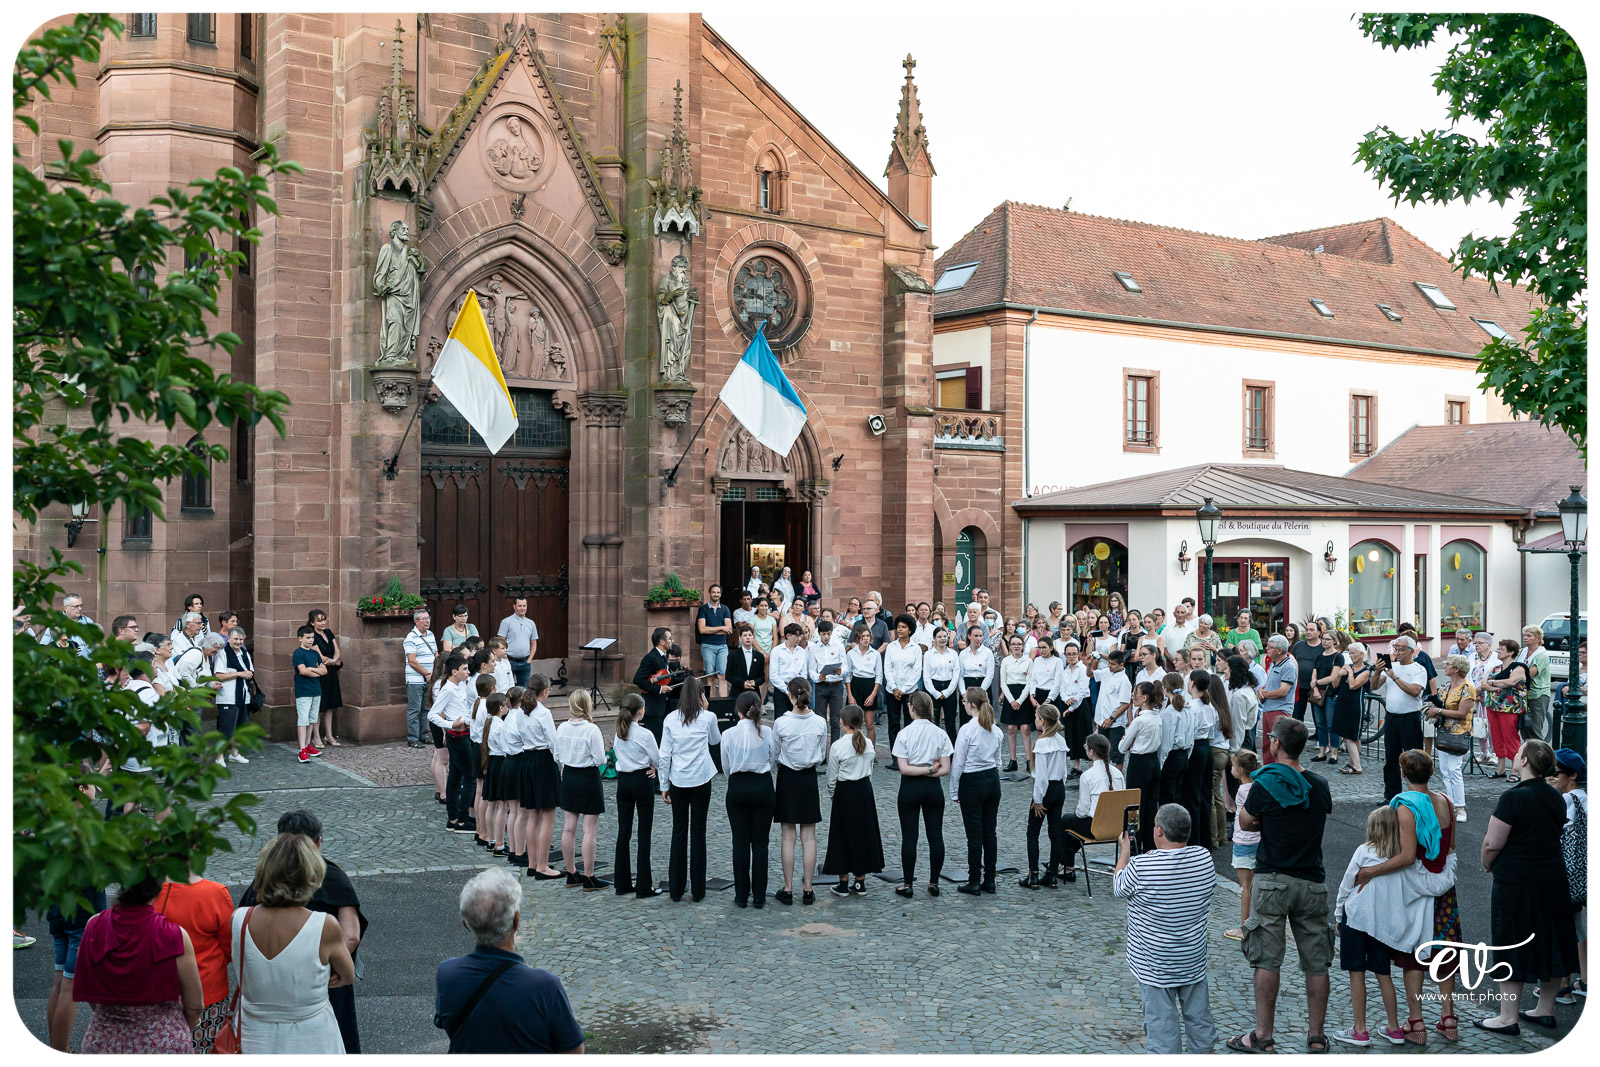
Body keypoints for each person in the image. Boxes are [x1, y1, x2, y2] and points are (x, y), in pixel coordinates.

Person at [1230, 716, 1334, 1054]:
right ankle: (1316, 1036)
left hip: (1272, 878)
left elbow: (1246, 821)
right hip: (1311, 881)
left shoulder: (1267, 784)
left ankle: (1263, 1036)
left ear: (1276, 744)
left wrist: (1259, 815)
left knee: (1267, 960)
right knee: (1317, 963)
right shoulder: (1319, 785)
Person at [1477, 740, 1581, 1035]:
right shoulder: (1556, 796)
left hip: (1517, 881)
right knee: (1551, 940)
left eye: (1519, 752)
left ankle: (1507, 1016)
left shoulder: (1514, 798)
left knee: (1511, 941)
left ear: (1524, 761)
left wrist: (1487, 861)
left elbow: (1492, 842)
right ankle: (1545, 1010)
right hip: (1552, 878)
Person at [434, 868, 584, 1053]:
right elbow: (574, 1052)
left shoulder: (447, 974)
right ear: (516, 921)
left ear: (466, 924)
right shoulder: (545, 987)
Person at [231, 833, 353, 1053]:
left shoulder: (239, 919)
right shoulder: (324, 926)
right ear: (311, 875)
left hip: (252, 1035)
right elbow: (347, 975)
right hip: (311, 1036)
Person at [1114, 804, 1217, 1054]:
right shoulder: (1204, 859)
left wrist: (1125, 851)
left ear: (1158, 831)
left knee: (1162, 1031)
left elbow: (1119, 886)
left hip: (1155, 965)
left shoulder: (1141, 867)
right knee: (1199, 1021)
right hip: (1192, 960)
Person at [71, 876, 203, 1053]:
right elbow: (195, 1006)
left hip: (106, 1041)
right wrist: (177, 1028)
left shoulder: (93, 925)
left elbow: (88, 987)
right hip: (163, 1042)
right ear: (158, 886)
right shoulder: (175, 936)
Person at [1330, 806, 1409, 1047]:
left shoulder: (1364, 851)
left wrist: (1337, 914)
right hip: (1382, 924)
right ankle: (1394, 1028)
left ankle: (1360, 1030)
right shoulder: (1399, 857)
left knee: (1357, 974)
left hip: (1356, 919)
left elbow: (1347, 884)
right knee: (1384, 974)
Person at [155, 869, 235, 1052]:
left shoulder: (150, 895)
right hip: (209, 993)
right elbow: (229, 947)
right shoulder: (215, 893)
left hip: (160, 995)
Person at [660, 675, 722, 902]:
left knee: (678, 832)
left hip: (678, 779)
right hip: (701, 779)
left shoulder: (670, 719)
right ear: (700, 696)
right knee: (698, 833)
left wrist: (663, 784)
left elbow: (664, 754)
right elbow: (715, 741)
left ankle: (676, 889)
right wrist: (707, 710)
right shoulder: (708, 717)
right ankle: (698, 890)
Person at [891, 691, 953, 898]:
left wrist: (922, 769)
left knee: (910, 837)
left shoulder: (905, 733)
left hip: (910, 787)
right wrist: (930, 770)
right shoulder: (940, 733)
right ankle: (934, 883)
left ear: (912, 709)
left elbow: (904, 768)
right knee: (936, 836)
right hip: (933, 788)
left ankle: (908, 884)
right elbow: (945, 768)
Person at [772, 676, 827, 906]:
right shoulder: (820, 722)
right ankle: (808, 889)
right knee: (809, 836)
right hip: (808, 778)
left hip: (788, 777)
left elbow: (774, 753)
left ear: (791, 696)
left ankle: (787, 888)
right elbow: (822, 753)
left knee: (788, 836)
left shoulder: (781, 723)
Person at [720, 691, 777, 908]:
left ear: (738, 710)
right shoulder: (767, 732)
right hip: (762, 785)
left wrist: (736, 777)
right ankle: (760, 896)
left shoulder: (728, 734)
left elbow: (725, 765)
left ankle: (741, 895)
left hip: (738, 786)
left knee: (740, 843)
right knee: (761, 843)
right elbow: (772, 760)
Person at [823, 706, 885, 895]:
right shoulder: (868, 743)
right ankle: (860, 881)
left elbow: (831, 777)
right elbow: (870, 772)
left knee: (842, 835)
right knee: (863, 834)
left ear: (842, 722)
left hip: (845, 791)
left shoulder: (838, 746)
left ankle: (843, 882)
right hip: (864, 791)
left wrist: (834, 795)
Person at [951, 687, 1005, 895]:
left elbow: (958, 764)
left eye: (965, 701)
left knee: (974, 834)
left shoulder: (967, 729)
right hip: (991, 780)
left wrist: (954, 791)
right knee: (989, 832)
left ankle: (975, 880)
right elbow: (998, 761)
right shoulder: (995, 729)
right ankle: (989, 879)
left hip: (972, 781)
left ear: (971, 705)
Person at [553, 690, 606, 890]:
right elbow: (601, 759)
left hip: (569, 776)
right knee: (589, 830)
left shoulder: (562, 728)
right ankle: (589, 876)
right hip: (588, 777)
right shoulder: (591, 730)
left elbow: (557, 754)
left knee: (568, 827)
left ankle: (571, 872)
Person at [610, 694, 661, 899]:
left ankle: (621, 882)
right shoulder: (645, 734)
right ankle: (643, 886)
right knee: (644, 833)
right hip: (641, 780)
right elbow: (657, 759)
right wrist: (654, 769)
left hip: (623, 782)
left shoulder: (618, 732)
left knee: (624, 832)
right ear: (640, 711)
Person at [45, 886, 107, 1050]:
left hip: (57, 911)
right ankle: (60, 1051)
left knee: (59, 983)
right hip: (83, 917)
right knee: (69, 987)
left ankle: (55, 1047)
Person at [1059, 733, 1125, 881]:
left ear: (1091, 752)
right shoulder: (1118, 774)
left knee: (1066, 820)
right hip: (1117, 827)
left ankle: (1065, 864)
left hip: (1097, 828)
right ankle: (1064, 863)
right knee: (1074, 824)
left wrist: (1078, 812)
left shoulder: (1088, 775)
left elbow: (1082, 811)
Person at [1369, 636, 1428, 801]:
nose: (1397, 652)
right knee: (1390, 759)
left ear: (1411, 650)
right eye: (1396, 648)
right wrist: (1378, 671)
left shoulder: (1418, 669)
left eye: (1401, 649)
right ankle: (1391, 795)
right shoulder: (1391, 666)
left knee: (1413, 758)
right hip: (1392, 717)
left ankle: (1415, 794)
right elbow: (1374, 686)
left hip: (1410, 718)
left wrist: (1394, 677)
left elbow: (1415, 691)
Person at [515, 677, 561, 880]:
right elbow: (553, 742)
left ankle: (533, 863)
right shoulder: (543, 713)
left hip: (527, 760)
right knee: (548, 815)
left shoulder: (520, 711)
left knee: (532, 815)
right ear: (544, 691)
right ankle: (542, 865)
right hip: (542, 760)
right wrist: (560, 765)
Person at [1553, 748, 1588, 1005]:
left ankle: (1564, 986)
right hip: (1584, 875)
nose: (1550, 778)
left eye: (1555, 773)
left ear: (1572, 775)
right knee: (1577, 927)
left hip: (1568, 875)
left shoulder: (1566, 801)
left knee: (1566, 927)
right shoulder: (1586, 798)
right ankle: (1584, 980)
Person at [1020, 704, 1069, 888]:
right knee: (1055, 833)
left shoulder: (1042, 743)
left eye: (1036, 717)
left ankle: (1033, 875)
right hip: (1059, 789)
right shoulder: (1059, 740)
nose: (1034, 719)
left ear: (1043, 721)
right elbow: (1063, 771)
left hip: (1046, 790)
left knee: (1033, 832)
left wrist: (1038, 800)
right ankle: (1052, 875)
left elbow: (1041, 777)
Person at [429, 655, 475, 832]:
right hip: (458, 736)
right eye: (464, 669)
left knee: (455, 776)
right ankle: (462, 820)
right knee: (469, 777)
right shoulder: (447, 689)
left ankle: (453, 818)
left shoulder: (460, 685)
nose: (467, 671)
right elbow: (432, 714)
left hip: (463, 733)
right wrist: (450, 724)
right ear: (454, 672)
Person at [1119, 682, 1164, 853]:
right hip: (1153, 762)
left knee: (1134, 806)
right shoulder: (1157, 717)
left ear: (1144, 698)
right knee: (1151, 805)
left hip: (1139, 762)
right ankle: (1150, 845)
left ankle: (1133, 843)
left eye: (1135, 693)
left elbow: (1121, 747)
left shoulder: (1139, 721)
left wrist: (1127, 740)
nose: (1132, 696)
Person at [1432, 655, 1476, 824]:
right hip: (1444, 731)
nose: (1445, 666)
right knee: (1445, 770)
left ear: (1456, 669)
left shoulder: (1467, 687)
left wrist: (1438, 712)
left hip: (1458, 733)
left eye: (1448, 664)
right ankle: (1450, 805)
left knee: (1454, 770)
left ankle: (1460, 807)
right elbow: (1439, 704)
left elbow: (1461, 713)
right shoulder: (1446, 686)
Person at [1224, 749, 1262, 941]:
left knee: (1245, 887)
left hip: (1243, 841)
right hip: (1258, 841)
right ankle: (1257, 922)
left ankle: (1244, 926)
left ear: (1239, 770)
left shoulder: (1242, 791)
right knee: (1256, 885)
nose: (1231, 769)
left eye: (1232, 766)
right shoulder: (1257, 787)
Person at [1481, 638, 1530, 777]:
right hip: (1493, 707)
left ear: (1511, 652)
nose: (1498, 651)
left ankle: (1515, 771)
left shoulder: (1519, 668)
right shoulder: (1495, 668)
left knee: (1510, 737)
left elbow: (1510, 682)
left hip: (1510, 708)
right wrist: (1499, 684)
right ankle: (1500, 769)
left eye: (1502, 649)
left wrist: (1493, 683)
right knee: (1496, 737)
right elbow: (1484, 685)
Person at [882, 615, 924, 764]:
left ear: (910, 630)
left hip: (909, 692)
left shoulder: (916, 648)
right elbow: (887, 668)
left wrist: (903, 689)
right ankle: (895, 757)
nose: (900, 629)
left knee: (909, 723)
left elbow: (916, 672)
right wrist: (894, 687)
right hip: (892, 689)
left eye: (903, 627)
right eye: (899, 627)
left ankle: (909, 756)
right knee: (893, 723)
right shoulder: (891, 647)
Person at [212, 626, 255, 764]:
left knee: (240, 728)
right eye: (235, 639)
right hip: (228, 697)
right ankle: (219, 756)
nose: (238, 642)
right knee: (226, 728)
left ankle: (234, 753)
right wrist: (239, 673)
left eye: (241, 639)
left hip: (243, 696)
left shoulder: (244, 654)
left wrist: (247, 674)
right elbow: (218, 675)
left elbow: (250, 672)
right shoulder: (223, 654)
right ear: (229, 639)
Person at [1330, 639, 1371, 774]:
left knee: (1350, 735)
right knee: (1350, 735)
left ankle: (1357, 765)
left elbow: (1353, 685)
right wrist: (1339, 674)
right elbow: (1335, 684)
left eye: (1353, 653)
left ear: (1361, 654)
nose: (1351, 655)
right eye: (1350, 653)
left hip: (1354, 705)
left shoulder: (1365, 671)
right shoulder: (1347, 667)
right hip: (1342, 702)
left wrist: (1350, 673)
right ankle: (1353, 762)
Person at [1307, 626, 1344, 765]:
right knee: (1320, 724)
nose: (1324, 642)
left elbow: (1333, 677)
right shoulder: (1319, 656)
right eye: (1323, 639)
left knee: (1331, 724)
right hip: (1317, 693)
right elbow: (1314, 673)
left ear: (1334, 641)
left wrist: (1316, 683)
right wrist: (1315, 688)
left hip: (1330, 694)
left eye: (1328, 639)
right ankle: (1322, 751)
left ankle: (1334, 752)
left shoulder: (1338, 657)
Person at [292, 624, 328, 763]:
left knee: (312, 720)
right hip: (303, 692)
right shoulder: (298, 653)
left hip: (316, 690)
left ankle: (307, 745)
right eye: (307, 638)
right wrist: (316, 671)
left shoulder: (315, 653)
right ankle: (302, 749)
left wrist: (312, 670)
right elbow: (303, 671)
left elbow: (324, 671)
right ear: (300, 639)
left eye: (312, 637)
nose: (310, 640)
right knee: (303, 720)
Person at [632, 626, 675, 742]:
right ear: (662, 642)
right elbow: (638, 680)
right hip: (653, 708)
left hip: (664, 706)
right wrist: (659, 689)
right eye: (670, 638)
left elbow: (665, 679)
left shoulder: (664, 656)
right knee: (656, 741)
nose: (672, 641)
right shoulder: (650, 658)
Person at [1057, 642, 1093, 778]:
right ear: (1065, 655)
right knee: (1071, 735)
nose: (1071, 656)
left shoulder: (1083, 669)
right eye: (1069, 654)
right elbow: (1062, 689)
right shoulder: (1065, 671)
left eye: (1074, 654)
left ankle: (1091, 765)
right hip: (1068, 704)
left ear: (1078, 654)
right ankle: (1076, 767)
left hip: (1081, 705)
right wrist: (1066, 700)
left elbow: (1083, 690)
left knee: (1085, 735)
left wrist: (1072, 707)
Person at [845, 624, 883, 749]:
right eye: (863, 636)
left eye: (868, 636)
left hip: (870, 686)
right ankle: (856, 748)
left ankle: (871, 751)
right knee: (855, 723)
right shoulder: (851, 654)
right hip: (856, 686)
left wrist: (873, 695)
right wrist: (850, 695)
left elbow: (879, 676)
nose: (866, 639)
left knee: (870, 724)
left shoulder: (875, 654)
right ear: (858, 637)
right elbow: (848, 675)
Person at [808, 619, 846, 742]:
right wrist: (818, 677)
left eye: (828, 633)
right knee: (820, 719)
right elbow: (811, 670)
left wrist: (841, 671)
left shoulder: (839, 646)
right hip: (821, 686)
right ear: (819, 634)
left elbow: (845, 666)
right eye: (823, 634)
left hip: (836, 685)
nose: (826, 636)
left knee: (835, 720)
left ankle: (834, 749)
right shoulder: (814, 649)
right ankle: (821, 752)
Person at [404, 608, 438, 748]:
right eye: (424, 619)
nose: (427, 621)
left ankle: (424, 735)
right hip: (416, 680)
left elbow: (436, 655)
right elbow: (412, 661)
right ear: (416, 621)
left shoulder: (430, 635)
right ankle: (413, 738)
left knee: (426, 708)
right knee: (415, 709)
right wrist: (426, 673)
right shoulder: (410, 638)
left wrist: (433, 673)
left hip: (429, 679)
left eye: (428, 618)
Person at [1095, 649, 1133, 766]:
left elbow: (1125, 704)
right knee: (1102, 751)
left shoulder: (1124, 680)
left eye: (1112, 664)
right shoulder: (1106, 672)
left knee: (1116, 753)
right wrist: (1091, 663)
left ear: (1121, 665)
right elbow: (1090, 674)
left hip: (1115, 723)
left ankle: (1117, 781)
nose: (1109, 666)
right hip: (1102, 719)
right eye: (1109, 663)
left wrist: (1112, 718)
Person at [695, 583, 733, 698]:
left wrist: (711, 630)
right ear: (709, 593)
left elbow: (729, 629)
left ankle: (723, 703)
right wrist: (721, 628)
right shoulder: (703, 609)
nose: (716, 594)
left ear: (720, 594)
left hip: (722, 646)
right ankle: (711, 704)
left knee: (722, 676)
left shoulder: (725, 609)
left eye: (718, 592)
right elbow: (702, 629)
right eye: (713, 592)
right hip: (708, 646)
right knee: (710, 676)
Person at [1257, 634, 1298, 739]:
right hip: (1268, 708)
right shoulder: (1274, 663)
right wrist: (1263, 688)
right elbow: (1272, 682)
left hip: (1280, 710)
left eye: (1270, 647)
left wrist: (1264, 694)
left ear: (1279, 650)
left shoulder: (1288, 666)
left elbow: (1282, 691)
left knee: (1277, 744)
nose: (1267, 649)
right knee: (1267, 745)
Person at [1519, 625, 1553, 742]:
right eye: (1524, 635)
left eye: (1529, 636)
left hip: (1538, 695)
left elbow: (1529, 674)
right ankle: (1529, 756)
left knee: (1534, 729)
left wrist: (1511, 678)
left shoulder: (1541, 656)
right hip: (1524, 695)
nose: (1525, 638)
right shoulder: (1522, 652)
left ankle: (1541, 757)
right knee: (1525, 728)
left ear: (1538, 639)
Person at [496, 597, 539, 689]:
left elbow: (534, 643)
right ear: (514, 606)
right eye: (519, 606)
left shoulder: (531, 623)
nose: (522, 608)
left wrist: (529, 660)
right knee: (507, 687)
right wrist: (506, 659)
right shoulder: (506, 622)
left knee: (524, 689)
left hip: (525, 662)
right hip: (509, 660)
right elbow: (500, 642)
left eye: (524, 606)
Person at [1288, 621, 1322, 724]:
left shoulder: (1323, 647)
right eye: (1307, 630)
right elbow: (1291, 661)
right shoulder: (1298, 645)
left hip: (1316, 686)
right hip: (1299, 685)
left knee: (1318, 716)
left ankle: (1318, 737)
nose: (1308, 632)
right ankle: (1297, 736)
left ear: (1319, 632)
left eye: (1312, 630)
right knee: (1297, 714)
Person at [725, 621, 767, 703]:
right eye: (745, 635)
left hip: (754, 694)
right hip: (737, 694)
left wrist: (754, 682)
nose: (748, 638)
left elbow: (762, 677)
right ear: (740, 638)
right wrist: (743, 683)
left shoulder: (759, 656)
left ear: (753, 638)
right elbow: (729, 676)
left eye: (750, 635)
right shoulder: (733, 655)